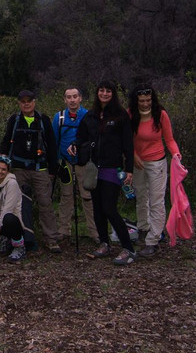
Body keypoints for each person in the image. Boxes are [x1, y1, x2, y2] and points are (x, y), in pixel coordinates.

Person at [76, 80, 137, 265]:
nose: (104, 93)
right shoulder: (90, 115)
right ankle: (105, 243)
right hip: (94, 168)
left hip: (113, 168)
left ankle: (128, 248)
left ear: (113, 93)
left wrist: (129, 169)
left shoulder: (120, 116)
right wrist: (75, 146)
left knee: (109, 208)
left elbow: (128, 144)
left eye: (108, 91)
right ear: (97, 93)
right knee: (97, 208)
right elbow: (80, 138)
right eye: (101, 90)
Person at [0, 90, 61, 253]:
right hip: (18, 169)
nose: (26, 104)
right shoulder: (14, 119)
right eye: (23, 101)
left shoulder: (43, 120)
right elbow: (7, 140)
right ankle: (21, 238)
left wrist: (53, 167)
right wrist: (1, 157)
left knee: (45, 204)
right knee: (18, 205)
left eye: (29, 100)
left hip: (40, 169)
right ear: (19, 103)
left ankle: (51, 238)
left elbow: (52, 144)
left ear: (34, 102)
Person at [128, 84, 181, 258]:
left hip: (156, 162)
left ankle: (153, 240)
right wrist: (133, 155)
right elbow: (127, 138)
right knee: (141, 196)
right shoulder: (131, 114)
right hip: (138, 163)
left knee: (156, 201)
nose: (145, 104)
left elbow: (169, 139)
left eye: (148, 100)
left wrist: (176, 155)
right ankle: (143, 228)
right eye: (142, 101)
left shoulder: (160, 115)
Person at [53, 87, 95, 242]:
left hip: (84, 162)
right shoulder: (59, 118)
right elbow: (55, 141)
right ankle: (64, 229)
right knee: (66, 195)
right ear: (65, 100)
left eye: (75, 96)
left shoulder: (88, 116)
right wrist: (56, 162)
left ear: (80, 98)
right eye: (69, 97)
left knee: (87, 196)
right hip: (65, 162)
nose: (72, 100)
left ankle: (94, 231)